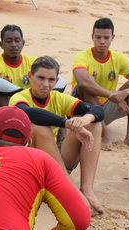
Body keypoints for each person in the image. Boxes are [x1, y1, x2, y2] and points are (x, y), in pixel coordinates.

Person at [10, 56, 106, 215]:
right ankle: (71, 190)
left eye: (51, 80)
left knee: (94, 122)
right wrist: (66, 123)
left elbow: (98, 110)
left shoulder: (57, 98)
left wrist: (84, 120)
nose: (45, 84)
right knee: (41, 128)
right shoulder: (19, 97)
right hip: (27, 166)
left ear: (57, 81)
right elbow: (29, 113)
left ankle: (87, 189)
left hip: (53, 161)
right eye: (40, 78)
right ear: (30, 76)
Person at [72, 18, 129, 152]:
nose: (102, 41)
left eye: (106, 37)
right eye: (98, 37)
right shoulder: (82, 56)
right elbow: (83, 82)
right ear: (92, 37)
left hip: (105, 109)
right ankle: (105, 133)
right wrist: (113, 96)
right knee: (87, 83)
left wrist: (124, 93)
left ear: (112, 37)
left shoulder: (118, 58)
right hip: (84, 112)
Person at [0, 24, 66, 119]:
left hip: (31, 106)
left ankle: (58, 132)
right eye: (8, 41)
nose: (14, 44)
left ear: (23, 43)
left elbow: (61, 82)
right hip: (3, 108)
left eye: (17, 41)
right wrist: (22, 93)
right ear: (1, 45)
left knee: (54, 96)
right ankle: (4, 129)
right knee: (0, 93)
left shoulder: (33, 62)